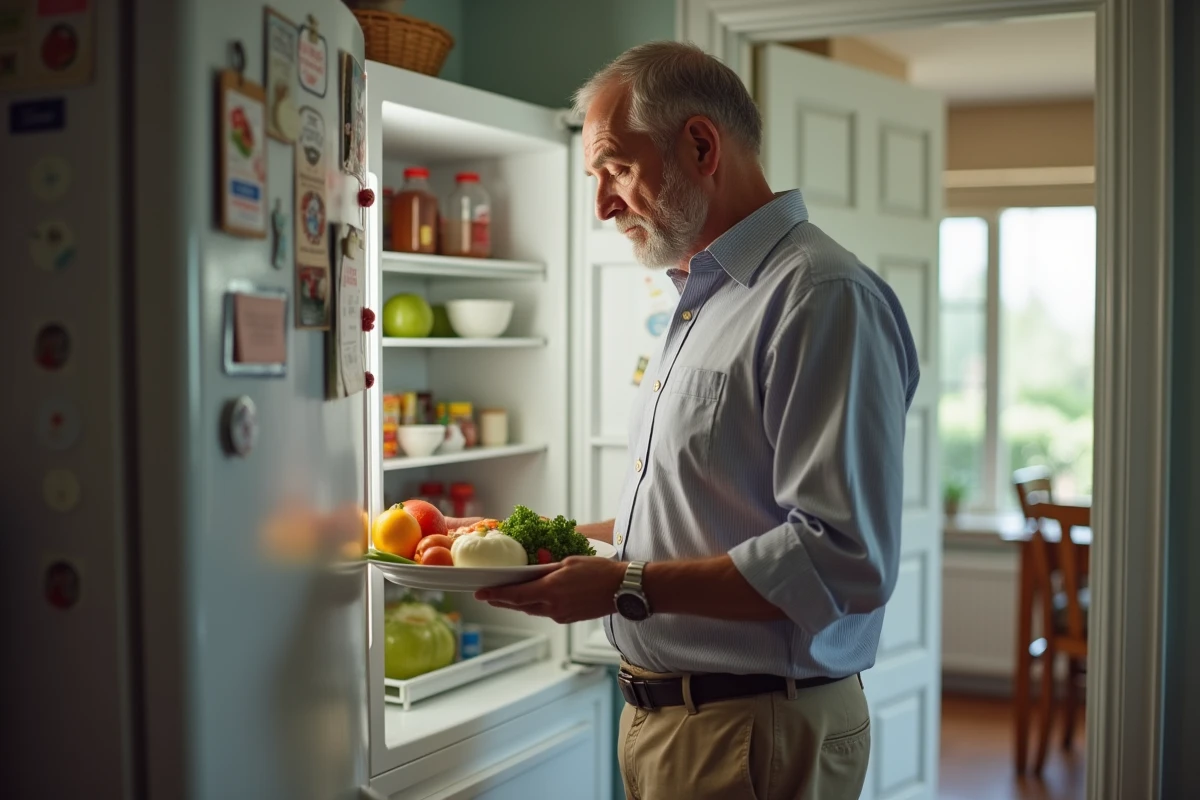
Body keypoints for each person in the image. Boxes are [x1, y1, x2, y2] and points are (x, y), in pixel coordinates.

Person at [457, 40, 919, 800]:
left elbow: (842, 556)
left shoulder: (819, 295)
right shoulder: (706, 296)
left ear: (701, 144)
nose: (602, 202)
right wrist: (538, 547)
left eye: (616, 169)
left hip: (756, 730)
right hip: (676, 725)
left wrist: (624, 585)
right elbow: (708, 512)